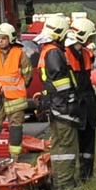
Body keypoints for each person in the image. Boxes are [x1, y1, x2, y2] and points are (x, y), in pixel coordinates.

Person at [36, 16, 81, 181]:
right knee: (66, 145)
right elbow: (59, 81)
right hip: (62, 106)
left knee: (57, 145)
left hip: (55, 106)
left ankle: (59, 180)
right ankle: (65, 182)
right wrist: (71, 98)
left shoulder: (47, 50)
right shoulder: (54, 52)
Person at [0, 23, 29, 161]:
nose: (0, 41)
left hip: (16, 100)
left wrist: (15, 88)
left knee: (15, 129)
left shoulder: (20, 55)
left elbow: (28, 75)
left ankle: (14, 159)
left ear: (11, 39)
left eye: (3, 38)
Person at [67, 16, 96, 182]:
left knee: (88, 143)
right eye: (90, 37)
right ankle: (70, 177)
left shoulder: (86, 54)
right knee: (72, 142)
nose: (91, 40)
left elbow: (87, 82)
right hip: (74, 106)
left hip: (87, 104)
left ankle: (87, 176)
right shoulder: (64, 54)